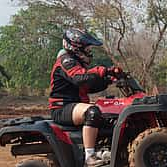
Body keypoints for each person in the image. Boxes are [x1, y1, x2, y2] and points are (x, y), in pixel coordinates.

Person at [48, 28, 121, 166]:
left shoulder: (75, 62)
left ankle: (104, 151)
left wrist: (110, 79)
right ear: (76, 47)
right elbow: (80, 78)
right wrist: (101, 70)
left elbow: (90, 86)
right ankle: (90, 156)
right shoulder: (66, 61)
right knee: (92, 112)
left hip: (73, 106)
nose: (89, 51)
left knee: (110, 118)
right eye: (87, 48)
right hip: (62, 108)